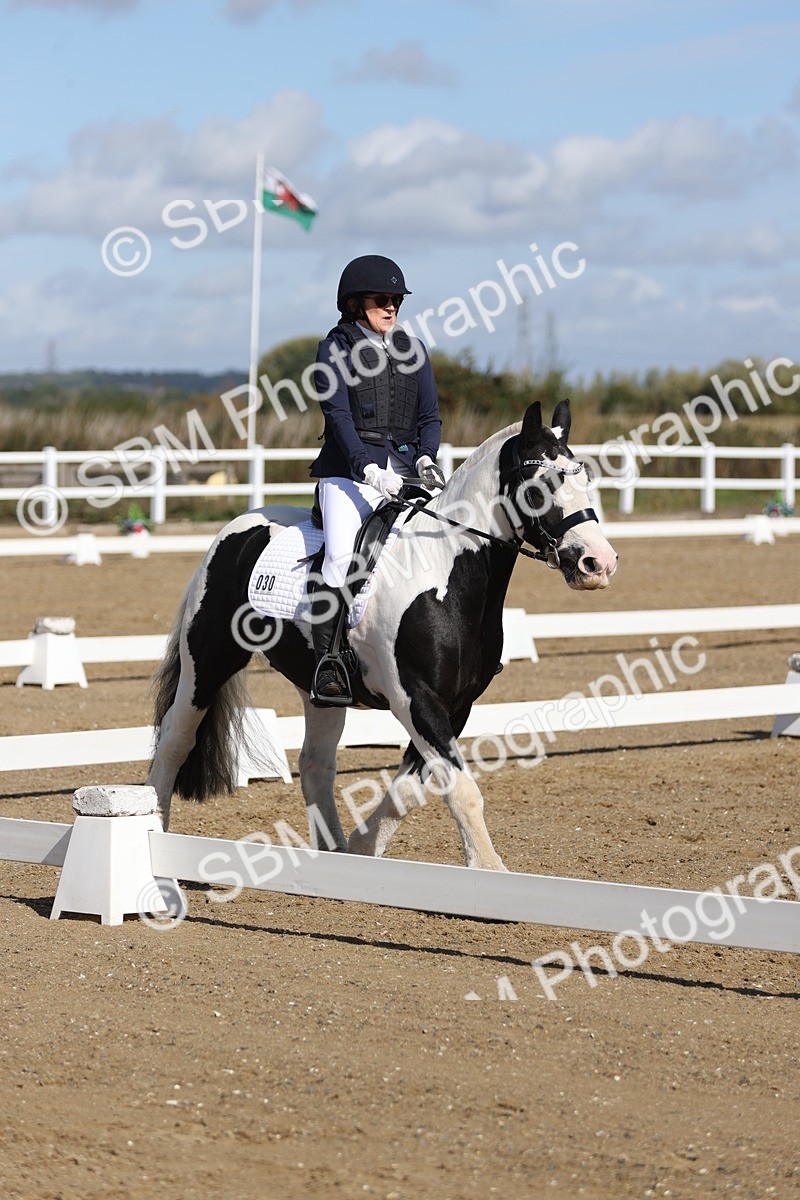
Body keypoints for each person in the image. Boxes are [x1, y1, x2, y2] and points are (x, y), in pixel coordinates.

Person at [308, 254, 445, 706]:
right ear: (353, 303)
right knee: (342, 556)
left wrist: (426, 459)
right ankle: (328, 661)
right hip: (348, 475)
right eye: (380, 299)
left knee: (444, 543)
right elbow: (339, 416)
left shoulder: (414, 350)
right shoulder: (334, 349)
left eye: (395, 300)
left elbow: (429, 416)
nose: (390, 307)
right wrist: (365, 468)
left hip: (406, 472)